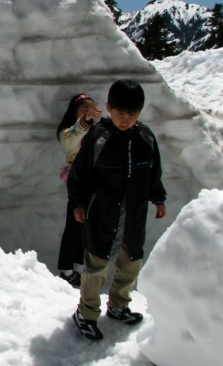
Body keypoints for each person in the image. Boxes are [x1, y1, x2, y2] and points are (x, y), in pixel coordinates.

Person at [67, 80, 167, 341]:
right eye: (120, 113)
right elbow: (79, 175)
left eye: (132, 114)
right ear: (109, 108)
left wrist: (158, 198)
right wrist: (78, 202)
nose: (125, 119)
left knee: (130, 264)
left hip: (133, 216)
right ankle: (86, 314)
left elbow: (153, 173)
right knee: (96, 266)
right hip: (102, 214)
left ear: (140, 112)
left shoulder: (146, 138)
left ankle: (118, 305)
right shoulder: (98, 138)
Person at [55, 93, 102, 287]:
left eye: (91, 109)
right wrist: (84, 122)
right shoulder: (68, 132)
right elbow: (70, 141)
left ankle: (79, 266)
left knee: (87, 227)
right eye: (84, 109)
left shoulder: (97, 131)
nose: (89, 113)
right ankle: (65, 269)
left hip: (95, 181)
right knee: (74, 226)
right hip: (78, 181)